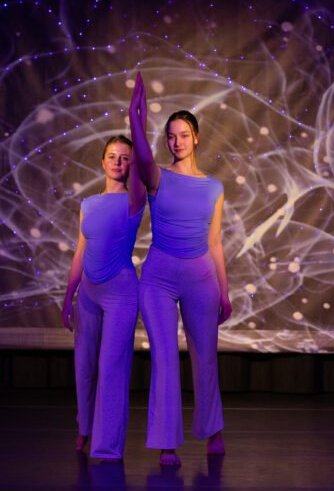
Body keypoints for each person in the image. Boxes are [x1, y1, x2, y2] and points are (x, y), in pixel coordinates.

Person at [128, 72, 232, 466]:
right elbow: (141, 155)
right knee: (165, 360)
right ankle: (166, 444)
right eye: (171, 136)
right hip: (159, 278)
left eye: (184, 135)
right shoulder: (157, 176)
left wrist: (224, 291)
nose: (177, 142)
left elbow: (215, 241)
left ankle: (213, 430)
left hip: (201, 278)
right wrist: (135, 117)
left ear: (196, 138)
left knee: (205, 358)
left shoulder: (214, 187)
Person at [62, 134, 146, 461]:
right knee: (84, 366)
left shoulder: (135, 198)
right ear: (102, 161)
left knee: (111, 368)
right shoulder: (88, 205)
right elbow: (80, 252)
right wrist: (68, 295)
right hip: (88, 293)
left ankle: (108, 446)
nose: (117, 162)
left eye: (124, 157)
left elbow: (141, 162)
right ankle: (84, 427)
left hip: (120, 293)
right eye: (112, 156)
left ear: (131, 165)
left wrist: (137, 119)